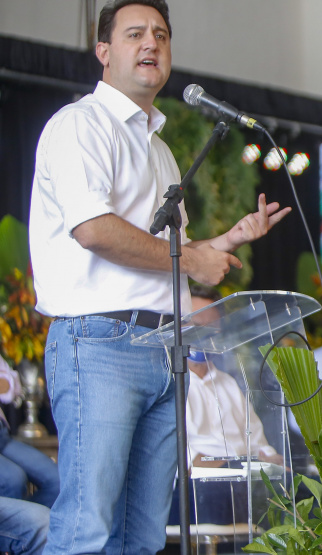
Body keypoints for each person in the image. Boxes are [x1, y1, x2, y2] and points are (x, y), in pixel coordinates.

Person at [28, 1, 290, 552]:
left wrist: (226, 241)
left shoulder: (161, 150)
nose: (152, 43)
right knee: (87, 528)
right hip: (99, 342)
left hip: (164, 348)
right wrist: (194, 260)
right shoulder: (81, 125)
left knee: (144, 535)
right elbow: (94, 230)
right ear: (104, 52)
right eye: (135, 34)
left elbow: (171, 254)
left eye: (162, 35)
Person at [170, 285, 284, 526]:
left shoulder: (228, 383)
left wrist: (273, 462)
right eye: (195, 328)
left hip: (244, 483)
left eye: (211, 330)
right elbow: (184, 462)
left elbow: (260, 445)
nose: (203, 337)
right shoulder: (167, 383)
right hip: (194, 492)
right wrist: (237, 465)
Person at [0, 358, 59, 509]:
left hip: (3, 435)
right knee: (12, 480)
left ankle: (26, 526)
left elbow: (12, 386)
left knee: (57, 481)